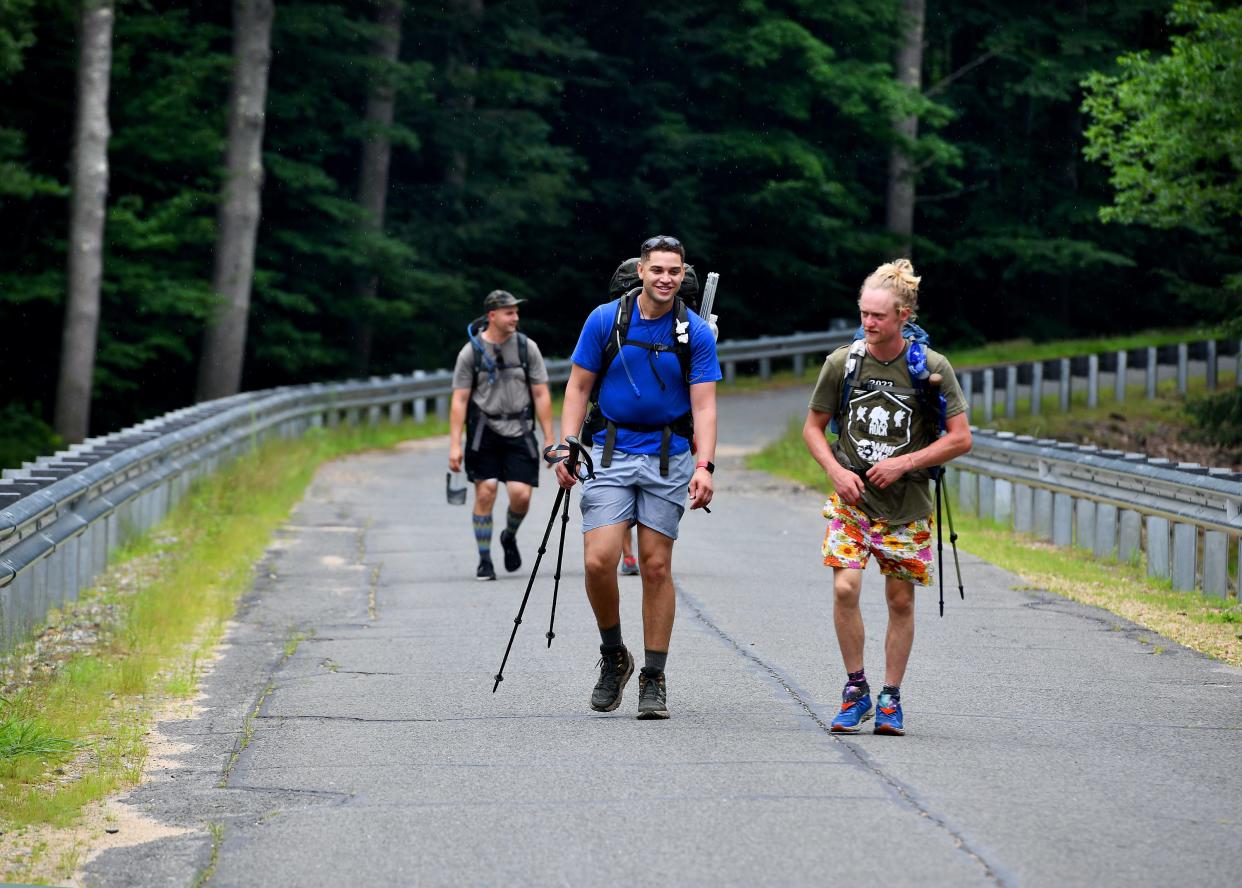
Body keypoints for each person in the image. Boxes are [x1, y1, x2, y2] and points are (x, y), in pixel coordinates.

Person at [802, 259, 971, 736]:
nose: (868, 324)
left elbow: (960, 438)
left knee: (899, 601)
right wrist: (835, 470)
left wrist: (904, 462)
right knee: (844, 587)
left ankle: (890, 697)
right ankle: (855, 689)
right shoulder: (843, 363)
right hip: (852, 501)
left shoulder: (931, 368)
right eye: (863, 314)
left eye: (878, 316)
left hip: (907, 507)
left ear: (903, 316)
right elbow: (812, 429)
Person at [554, 235, 720, 719]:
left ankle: (653, 676)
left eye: (674, 271)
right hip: (608, 451)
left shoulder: (695, 332)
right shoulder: (605, 319)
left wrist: (705, 464)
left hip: (668, 458)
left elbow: (704, 405)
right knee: (598, 560)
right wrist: (567, 444)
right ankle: (613, 655)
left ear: (682, 274)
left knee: (655, 566)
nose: (666, 278)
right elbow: (579, 386)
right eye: (657, 269)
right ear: (641, 271)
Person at [449, 290, 554, 581]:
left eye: (516, 312)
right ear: (492, 316)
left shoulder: (526, 348)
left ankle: (509, 535)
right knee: (486, 491)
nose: (515, 317)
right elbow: (459, 399)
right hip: (485, 431)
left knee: (520, 495)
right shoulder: (470, 352)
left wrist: (548, 438)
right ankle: (485, 559)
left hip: (519, 430)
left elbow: (541, 393)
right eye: (509, 312)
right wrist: (455, 444)